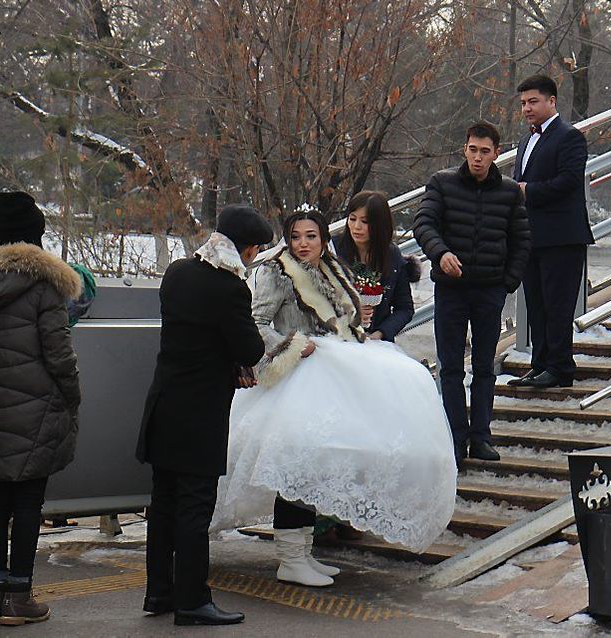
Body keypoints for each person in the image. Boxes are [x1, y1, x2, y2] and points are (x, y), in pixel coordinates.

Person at [212, 209, 456, 587]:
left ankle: (302, 551)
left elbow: (346, 322)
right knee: (297, 461)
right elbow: (257, 323)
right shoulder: (276, 272)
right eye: (296, 237)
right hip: (297, 373)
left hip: (333, 366)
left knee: (317, 465)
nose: (303, 244)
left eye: (311, 236)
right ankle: (290, 557)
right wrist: (292, 345)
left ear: (323, 239)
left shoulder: (332, 268)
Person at [136, 204, 273, 626]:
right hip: (200, 414)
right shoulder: (230, 287)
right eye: (254, 251)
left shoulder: (177, 272)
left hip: (164, 403)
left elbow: (194, 336)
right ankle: (193, 599)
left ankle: (159, 591)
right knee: (195, 507)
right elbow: (249, 348)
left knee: (163, 504)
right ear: (246, 249)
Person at [414, 122, 531, 465]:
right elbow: (424, 223)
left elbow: (522, 239)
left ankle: (481, 436)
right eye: (472, 150)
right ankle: (455, 437)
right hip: (451, 289)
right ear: (464, 150)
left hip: (489, 290)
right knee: (450, 367)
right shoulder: (442, 183)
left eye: (485, 151)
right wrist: (440, 252)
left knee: (484, 367)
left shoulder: (509, 192)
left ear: (496, 153)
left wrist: (507, 281)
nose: (478, 158)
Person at [0, 191, 81, 626]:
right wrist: (72, 397)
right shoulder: (45, 285)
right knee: (28, 502)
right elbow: (59, 355)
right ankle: (17, 596)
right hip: (34, 410)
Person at [508, 74, 594, 390]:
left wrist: (527, 190)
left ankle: (560, 367)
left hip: (562, 236)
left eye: (533, 101)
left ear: (551, 101)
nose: (527, 108)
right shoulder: (526, 140)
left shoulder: (569, 136)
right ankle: (540, 364)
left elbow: (570, 181)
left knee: (558, 305)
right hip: (532, 236)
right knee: (536, 304)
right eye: (523, 103)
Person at [333, 192, 420, 342]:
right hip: (337, 339)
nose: (356, 227)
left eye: (365, 221)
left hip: (376, 342)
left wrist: (380, 333)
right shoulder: (333, 251)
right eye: (352, 219)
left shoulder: (392, 255)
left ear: (380, 224)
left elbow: (404, 309)